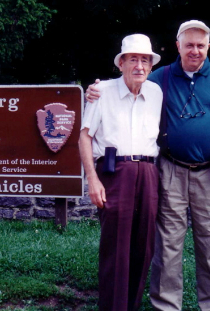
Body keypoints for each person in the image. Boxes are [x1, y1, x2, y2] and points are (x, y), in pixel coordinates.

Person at [85, 20, 210, 311]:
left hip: (209, 173)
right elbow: (128, 82)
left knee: (209, 244)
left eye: (200, 45)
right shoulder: (161, 78)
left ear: (208, 46)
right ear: (178, 47)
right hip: (170, 169)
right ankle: (166, 306)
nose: (194, 50)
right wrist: (94, 90)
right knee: (168, 245)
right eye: (189, 45)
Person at [79, 34, 163, 311]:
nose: (139, 66)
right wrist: (92, 179)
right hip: (115, 172)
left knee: (144, 244)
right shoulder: (102, 91)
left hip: (149, 172)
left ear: (151, 66)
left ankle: (132, 305)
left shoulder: (156, 93)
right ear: (121, 63)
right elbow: (84, 137)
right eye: (133, 60)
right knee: (116, 246)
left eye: (145, 60)